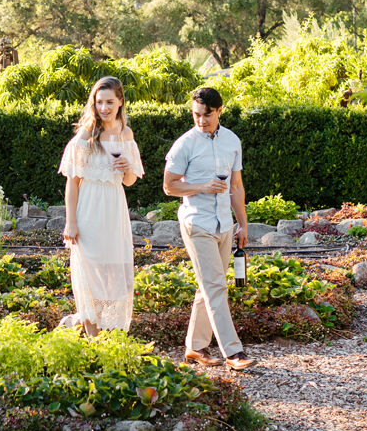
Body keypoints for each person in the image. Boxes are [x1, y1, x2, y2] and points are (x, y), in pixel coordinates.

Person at [163, 86, 256, 371]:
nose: (201, 120)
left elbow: (236, 186)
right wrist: (201, 186)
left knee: (208, 287)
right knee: (216, 286)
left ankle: (194, 347)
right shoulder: (184, 144)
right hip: (196, 223)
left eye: (207, 115)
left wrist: (242, 223)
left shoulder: (232, 141)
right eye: (196, 115)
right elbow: (169, 185)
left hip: (224, 224)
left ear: (219, 111)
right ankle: (234, 352)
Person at [59, 76, 144, 335]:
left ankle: (111, 333)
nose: (104, 108)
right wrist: (70, 222)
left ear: (120, 102)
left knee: (113, 273)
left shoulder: (125, 134)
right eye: (99, 103)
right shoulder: (86, 135)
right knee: (89, 272)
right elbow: (72, 183)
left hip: (114, 209)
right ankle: (94, 338)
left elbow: (129, 181)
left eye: (109, 102)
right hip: (88, 210)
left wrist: (126, 167)